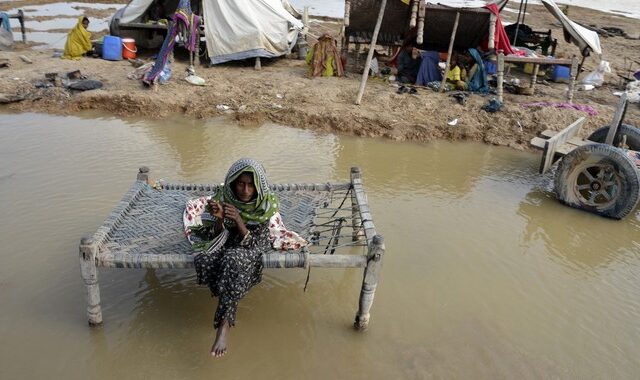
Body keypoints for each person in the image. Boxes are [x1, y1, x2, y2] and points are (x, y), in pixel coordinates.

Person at [184, 158, 306, 357]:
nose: (245, 189)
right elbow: (216, 235)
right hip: (229, 239)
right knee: (205, 259)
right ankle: (228, 289)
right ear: (233, 183)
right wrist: (220, 218)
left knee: (233, 260)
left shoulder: (264, 205)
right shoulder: (225, 197)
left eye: (251, 185)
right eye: (241, 183)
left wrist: (239, 220)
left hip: (253, 241)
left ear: (258, 186)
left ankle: (224, 325)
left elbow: (255, 245)